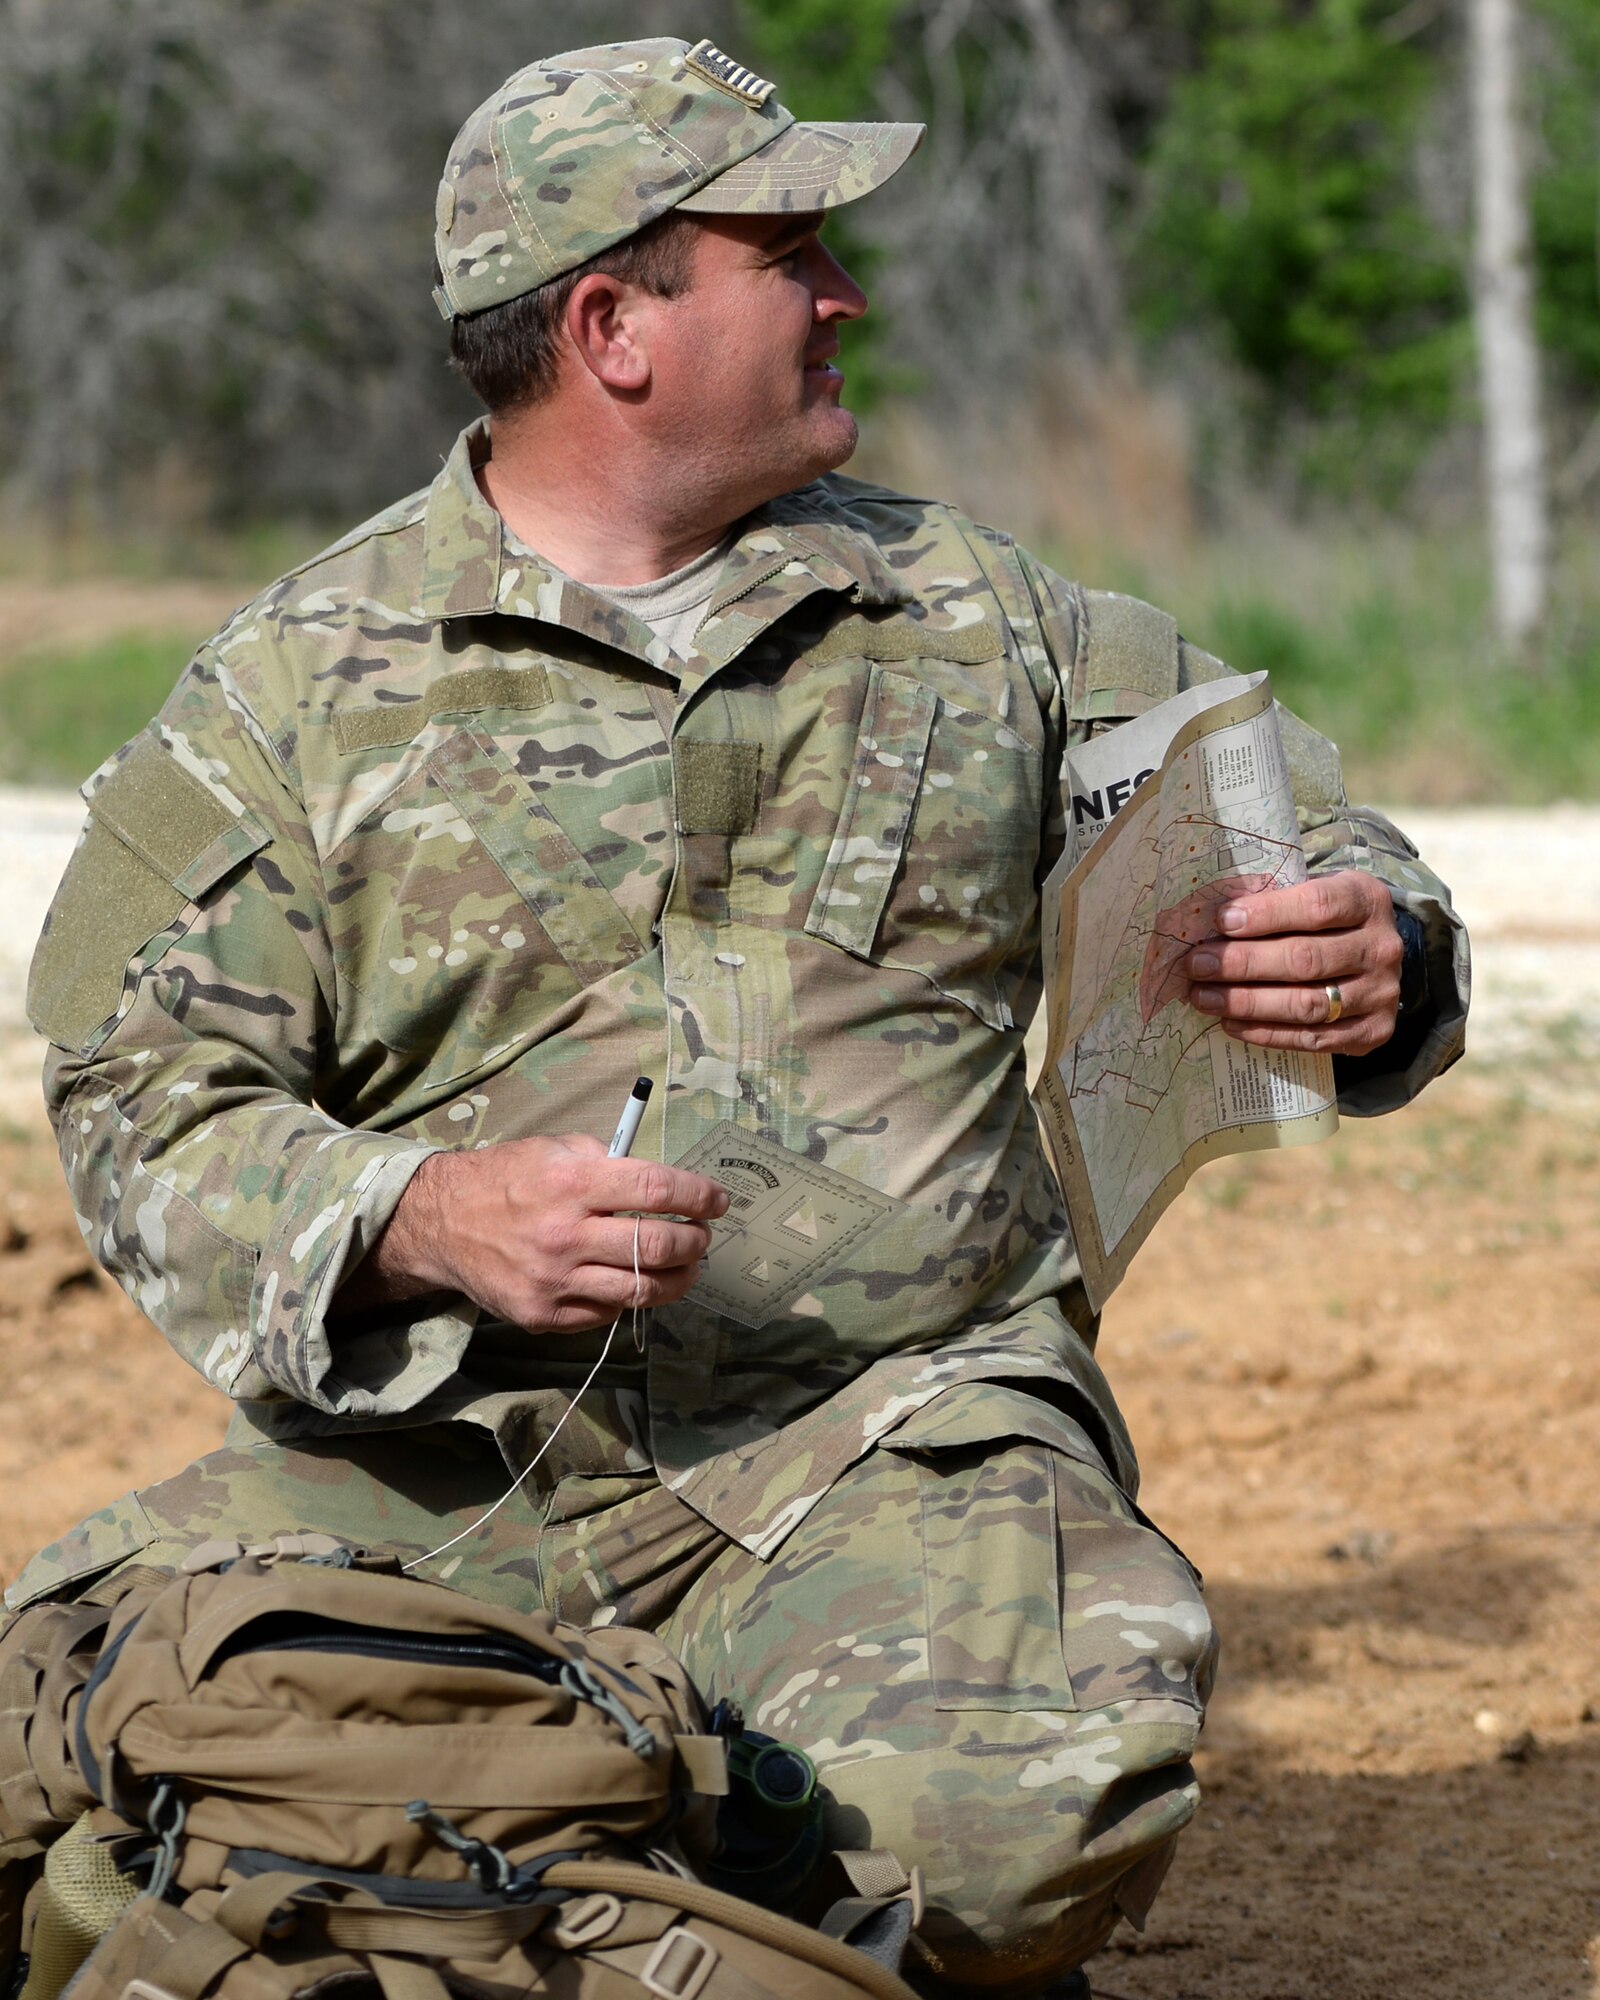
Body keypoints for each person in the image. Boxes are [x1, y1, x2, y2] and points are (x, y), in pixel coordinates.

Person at [15, 36, 1466, 1998]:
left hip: (889, 1438)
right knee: (76, 1740)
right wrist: (417, 1212)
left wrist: (1369, 941)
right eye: (783, 247)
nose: (842, 291)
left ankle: (505, 1880)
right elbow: (132, 1089)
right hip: (455, 1460)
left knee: (1011, 1821)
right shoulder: (286, 689)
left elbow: (1284, 813)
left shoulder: (981, 612)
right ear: (612, 325)